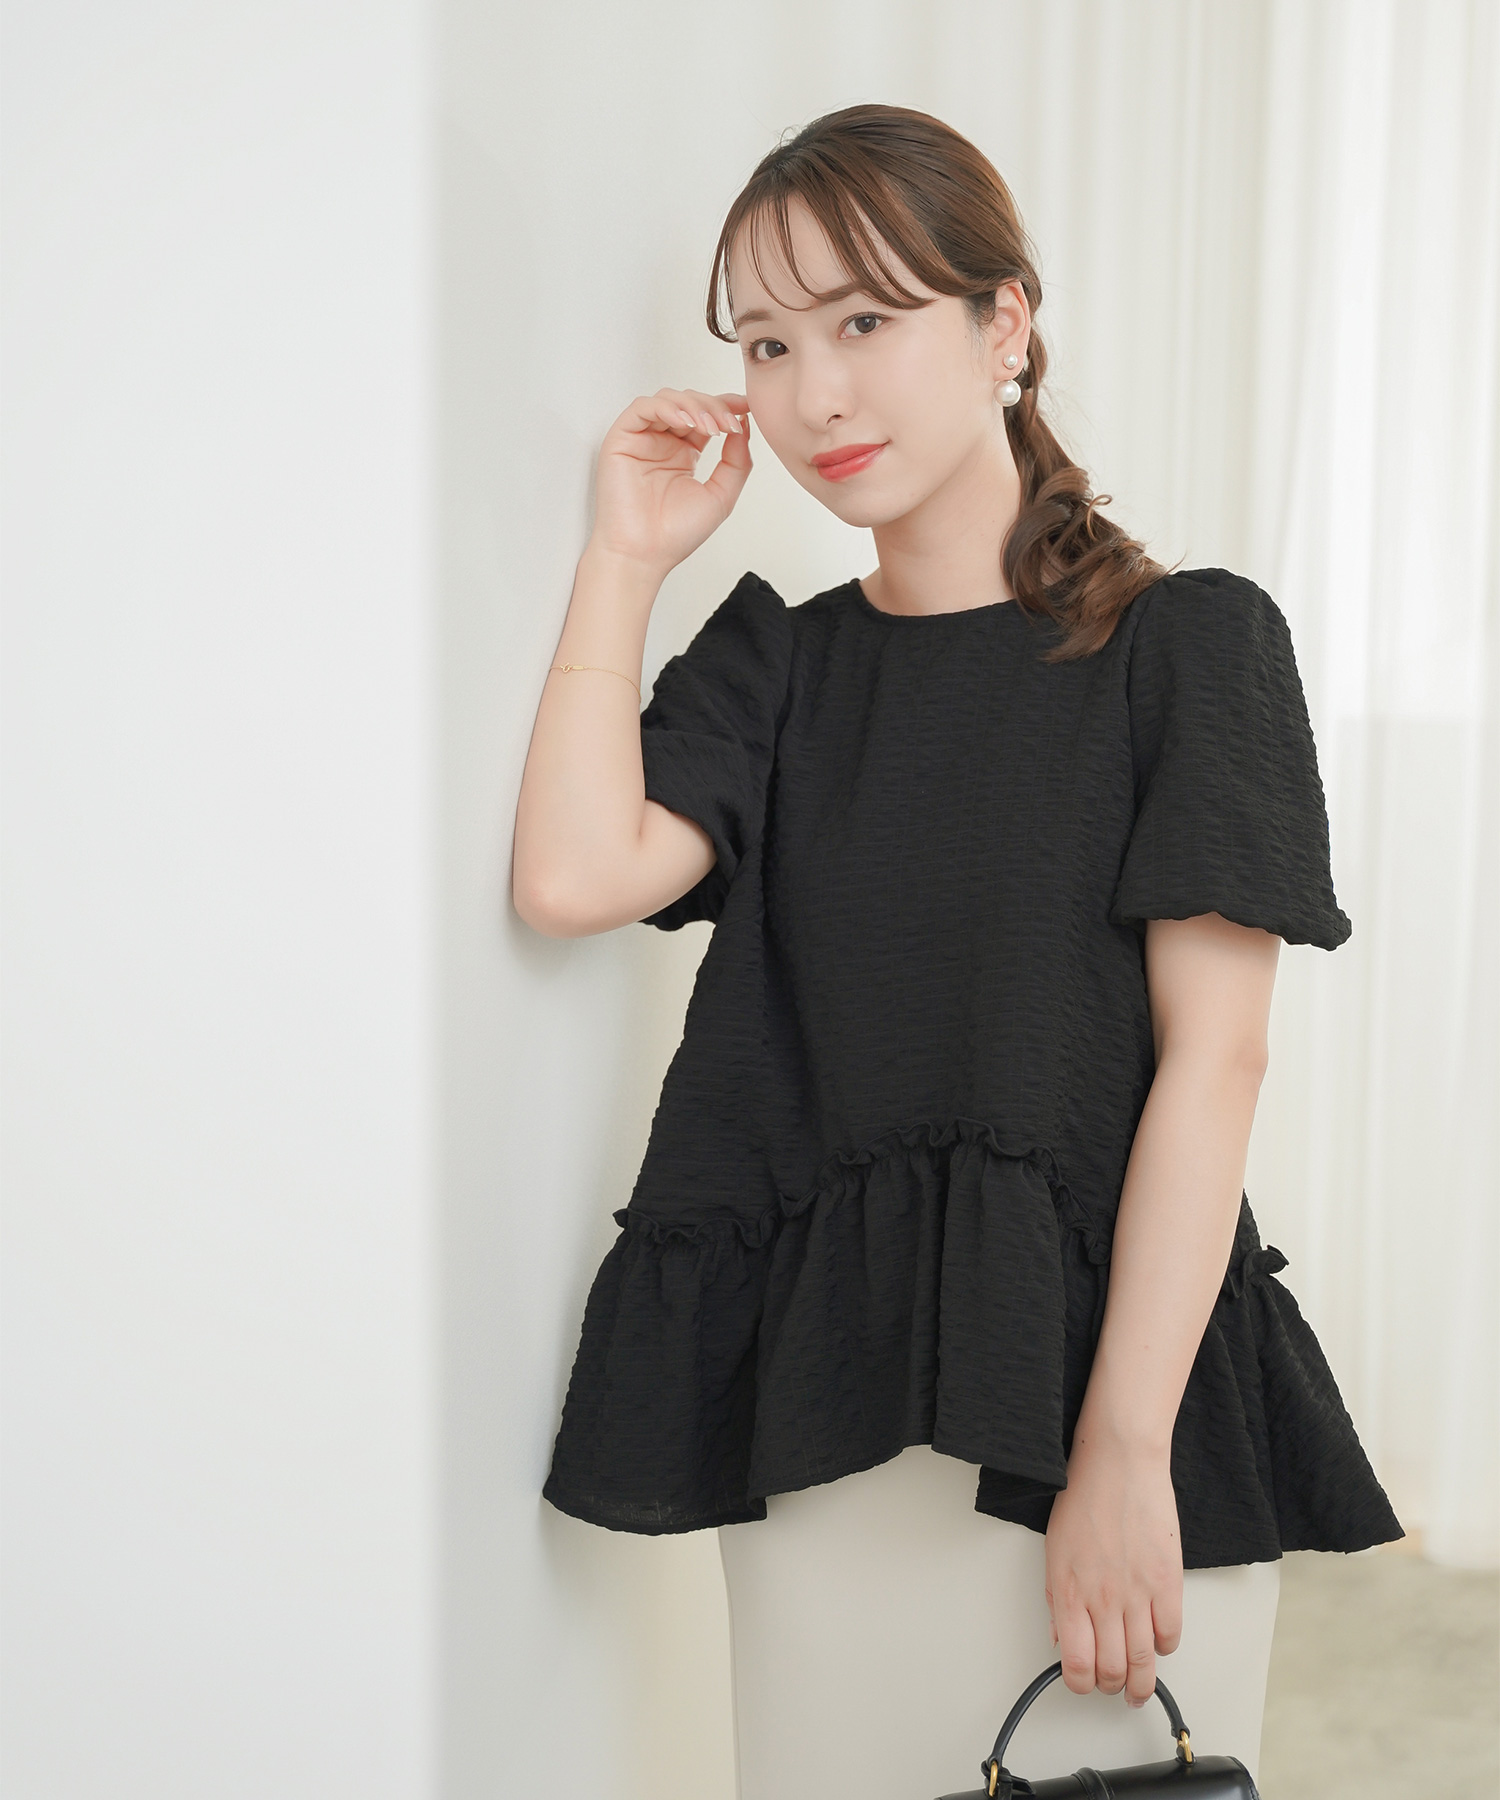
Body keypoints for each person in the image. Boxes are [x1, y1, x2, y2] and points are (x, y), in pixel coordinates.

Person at [513, 103, 1403, 1799]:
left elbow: (1217, 1060)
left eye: (865, 319)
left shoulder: (1190, 648)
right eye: (768, 344)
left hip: (1113, 1396)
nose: (815, 394)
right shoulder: (778, 669)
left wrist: (1122, 1454)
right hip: (829, 1407)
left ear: (1006, 326)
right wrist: (624, 559)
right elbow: (572, 875)